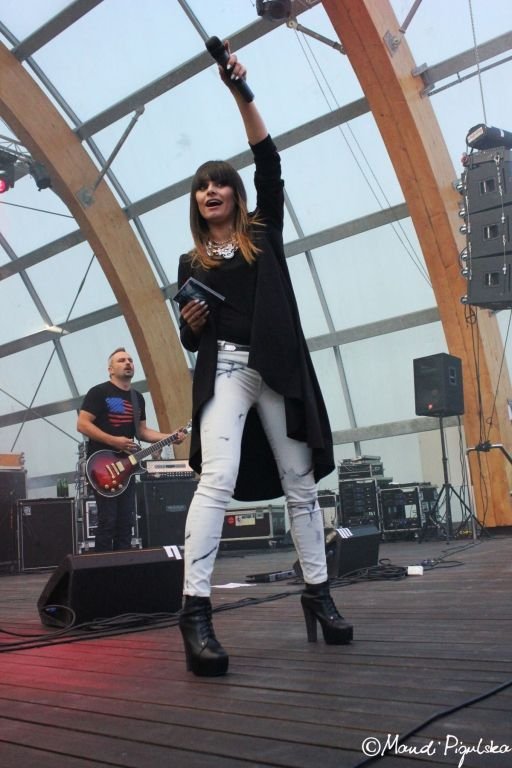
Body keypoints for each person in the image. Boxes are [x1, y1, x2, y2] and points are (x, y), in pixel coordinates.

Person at [176, 44, 353, 678]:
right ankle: (195, 612)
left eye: (220, 182)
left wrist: (240, 93)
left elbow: (269, 159)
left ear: (237, 194)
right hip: (225, 368)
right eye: (202, 186)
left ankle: (319, 593)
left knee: (300, 485)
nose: (211, 190)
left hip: (275, 368)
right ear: (196, 202)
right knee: (215, 480)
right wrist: (191, 325)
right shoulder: (190, 263)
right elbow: (189, 338)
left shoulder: (263, 232)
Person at [77, 347, 186, 552]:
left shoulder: (137, 398)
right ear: (110, 369)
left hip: (127, 468)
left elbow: (142, 432)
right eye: (121, 360)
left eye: (130, 360)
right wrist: (114, 441)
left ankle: (124, 565)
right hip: (102, 467)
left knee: (126, 522)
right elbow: (82, 424)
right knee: (108, 521)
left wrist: (170, 437)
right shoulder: (99, 392)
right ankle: (101, 567)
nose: (127, 363)